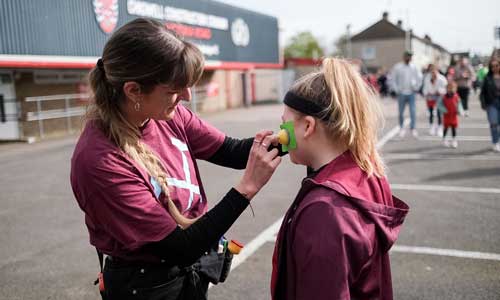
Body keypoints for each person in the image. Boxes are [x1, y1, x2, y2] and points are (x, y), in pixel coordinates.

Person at [70, 18, 282, 300]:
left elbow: (231, 151)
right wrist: (246, 189)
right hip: (146, 286)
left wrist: (290, 137)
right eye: (173, 90)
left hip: (186, 274)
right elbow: (178, 247)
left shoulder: (166, 113)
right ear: (133, 90)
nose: (186, 95)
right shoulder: (100, 160)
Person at [270, 57, 409, 300]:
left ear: (308, 127)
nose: (280, 134)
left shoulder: (325, 210)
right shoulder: (366, 171)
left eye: (285, 125)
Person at [389, 51, 423, 138]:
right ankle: (401, 128)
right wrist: (397, 90)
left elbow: (419, 78)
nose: (409, 58)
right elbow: (393, 79)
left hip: (411, 93)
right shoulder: (398, 67)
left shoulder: (414, 67)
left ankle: (413, 128)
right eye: (408, 56)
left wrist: (416, 87)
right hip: (401, 93)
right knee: (401, 112)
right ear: (404, 57)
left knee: (413, 111)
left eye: (410, 56)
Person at [480, 58, 500, 152]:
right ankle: (495, 142)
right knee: (494, 124)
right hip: (491, 103)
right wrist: (483, 104)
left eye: (497, 65)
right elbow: (482, 92)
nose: (495, 68)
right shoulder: (487, 78)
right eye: (492, 66)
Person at [423, 64, 447, 136]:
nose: (432, 72)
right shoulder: (427, 78)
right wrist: (427, 93)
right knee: (430, 113)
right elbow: (425, 88)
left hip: (439, 96)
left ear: (437, 70)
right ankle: (431, 127)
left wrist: (439, 91)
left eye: (434, 70)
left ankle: (440, 128)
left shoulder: (442, 78)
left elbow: (445, 88)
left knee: (439, 113)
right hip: (430, 97)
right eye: (431, 70)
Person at [440, 82, 461, 148]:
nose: (451, 89)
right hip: (446, 116)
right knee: (445, 128)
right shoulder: (443, 97)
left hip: (453, 115)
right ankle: (444, 139)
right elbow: (439, 105)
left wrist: (460, 111)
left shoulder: (456, 96)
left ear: (455, 89)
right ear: (446, 89)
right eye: (449, 88)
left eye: (452, 88)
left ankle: (454, 140)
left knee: (453, 128)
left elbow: (459, 105)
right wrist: (444, 110)